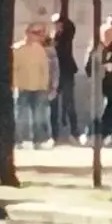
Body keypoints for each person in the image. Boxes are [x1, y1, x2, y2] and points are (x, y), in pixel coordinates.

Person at [12, 23, 52, 149]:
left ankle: (38, 141)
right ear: (28, 33)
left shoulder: (40, 50)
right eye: (36, 33)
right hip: (23, 87)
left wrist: (45, 85)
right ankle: (17, 141)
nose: (39, 36)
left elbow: (44, 69)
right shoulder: (17, 49)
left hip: (38, 87)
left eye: (40, 33)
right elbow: (13, 69)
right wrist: (15, 85)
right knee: (20, 116)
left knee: (38, 116)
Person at [84, 20, 112, 143]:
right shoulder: (96, 47)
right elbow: (89, 66)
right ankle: (91, 133)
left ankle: (106, 132)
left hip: (110, 80)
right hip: (97, 81)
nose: (110, 36)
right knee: (96, 108)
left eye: (111, 33)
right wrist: (101, 68)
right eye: (107, 33)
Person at [51, 13, 79, 143]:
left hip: (66, 72)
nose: (56, 26)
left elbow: (71, 29)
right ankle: (55, 134)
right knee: (54, 104)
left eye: (58, 24)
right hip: (57, 73)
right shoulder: (55, 37)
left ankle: (74, 132)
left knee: (68, 103)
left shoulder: (65, 37)